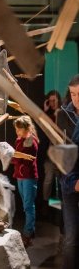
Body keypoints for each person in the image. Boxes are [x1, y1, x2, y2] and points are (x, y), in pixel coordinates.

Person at [56, 74, 79, 269]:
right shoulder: (63, 114)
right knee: (71, 237)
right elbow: (61, 152)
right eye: (73, 94)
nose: (76, 99)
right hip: (69, 179)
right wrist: (71, 181)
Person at [12, 115, 39, 247]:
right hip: (20, 176)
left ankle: (28, 234)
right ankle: (30, 232)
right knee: (25, 205)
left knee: (28, 206)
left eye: (19, 129)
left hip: (28, 177)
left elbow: (25, 160)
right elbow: (15, 158)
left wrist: (13, 157)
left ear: (26, 128)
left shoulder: (30, 141)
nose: (17, 132)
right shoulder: (19, 140)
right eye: (16, 129)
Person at [42, 91, 62, 212]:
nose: (53, 103)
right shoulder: (49, 114)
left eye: (54, 100)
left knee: (60, 180)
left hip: (61, 153)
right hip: (50, 153)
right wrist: (45, 111)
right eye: (50, 101)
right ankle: (46, 205)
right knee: (48, 180)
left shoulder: (63, 113)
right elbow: (46, 129)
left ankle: (60, 208)